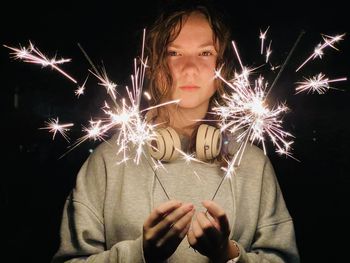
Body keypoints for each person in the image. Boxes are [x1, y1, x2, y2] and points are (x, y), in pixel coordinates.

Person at [52, 1, 300, 262]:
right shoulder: (107, 161)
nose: (190, 68)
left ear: (222, 67)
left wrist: (227, 254)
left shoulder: (252, 163)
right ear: (152, 64)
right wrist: (140, 255)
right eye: (174, 53)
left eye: (205, 53)